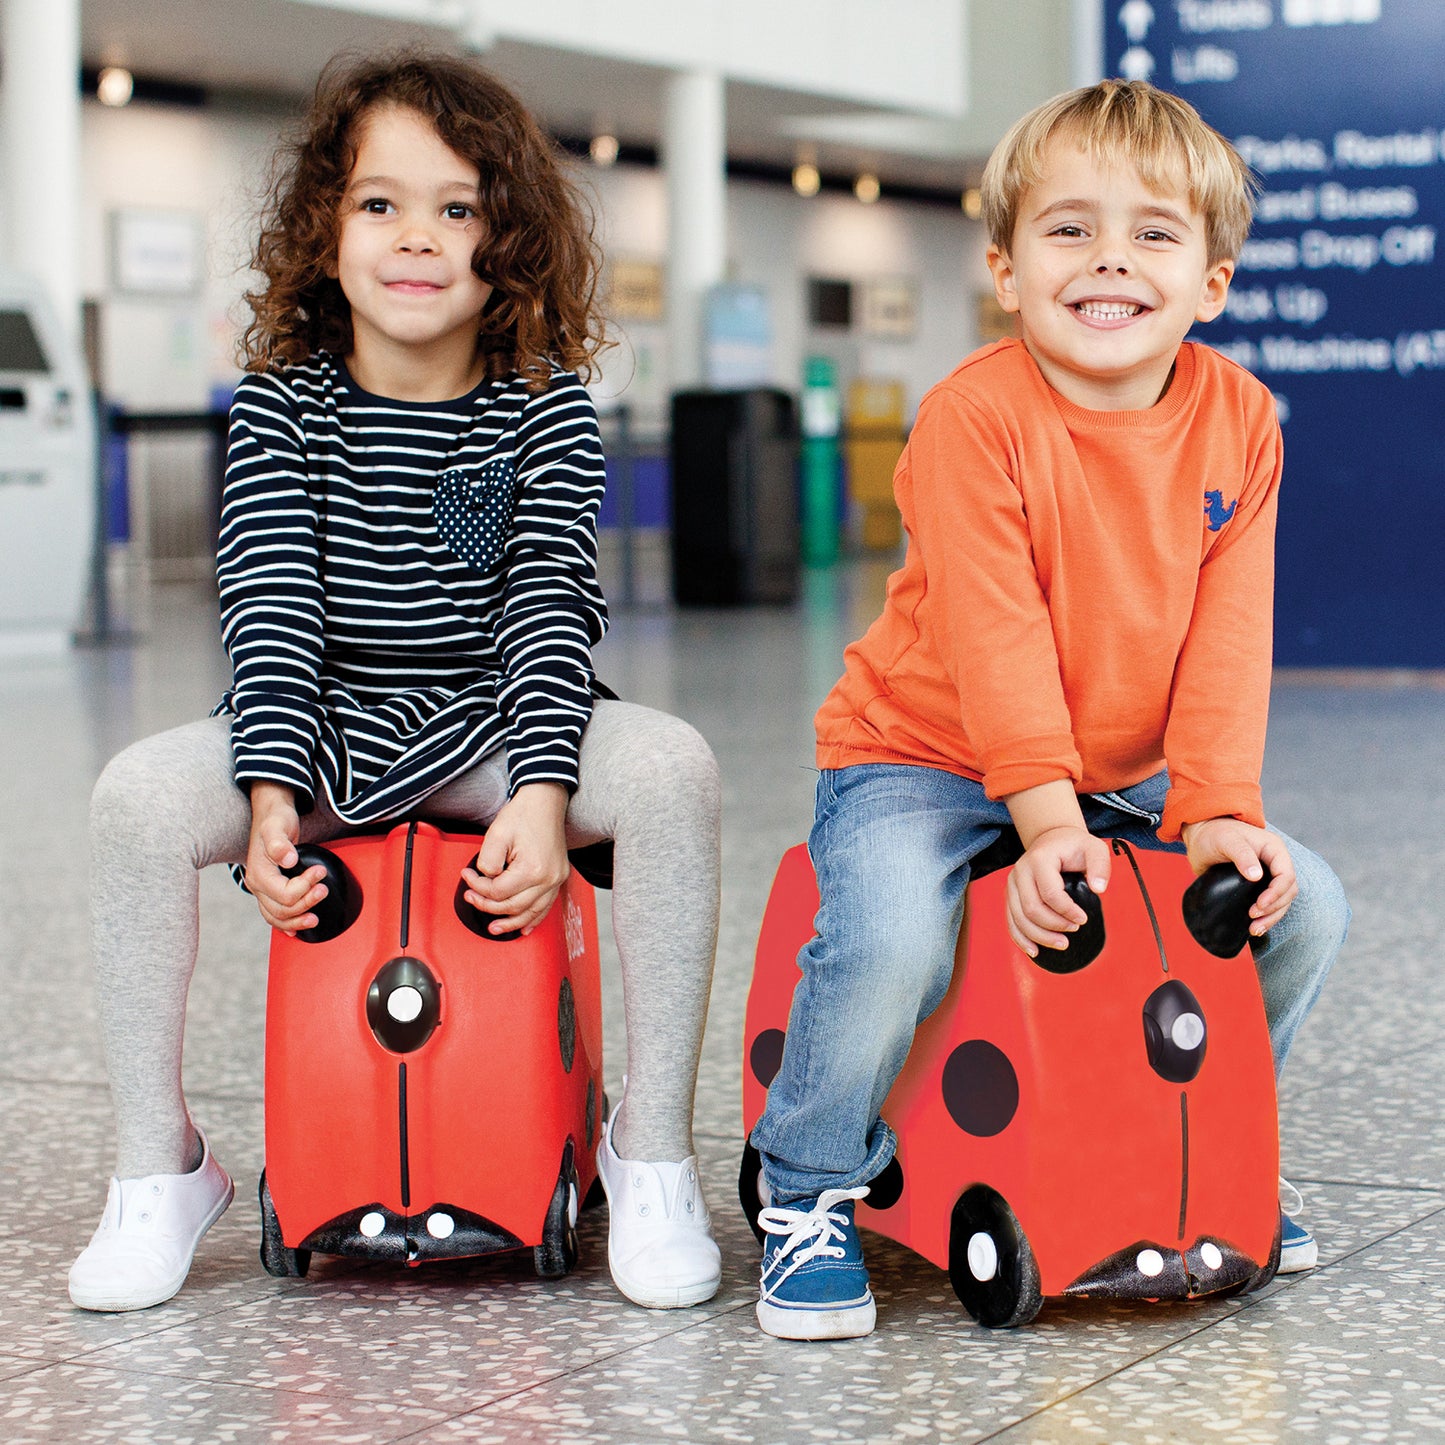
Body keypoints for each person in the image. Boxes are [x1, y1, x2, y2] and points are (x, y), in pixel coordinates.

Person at [69, 50, 721, 1315]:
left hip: (492, 721)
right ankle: (160, 1168)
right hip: (319, 727)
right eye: (380, 203)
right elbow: (272, 611)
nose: (417, 236)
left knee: (671, 767)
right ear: (326, 231)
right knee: (135, 801)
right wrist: (266, 790)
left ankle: (648, 1154)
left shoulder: (544, 408)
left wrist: (541, 790)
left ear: (508, 240)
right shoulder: (279, 408)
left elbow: (547, 610)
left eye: (457, 207)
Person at [748, 80, 1350, 1341]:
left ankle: (1204, 1152)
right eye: (1068, 230)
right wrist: (1037, 818)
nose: (1109, 262)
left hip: (1117, 772)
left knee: (1302, 908)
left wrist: (1217, 813)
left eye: (1152, 234)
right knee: (891, 940)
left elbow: (1228, 638)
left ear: (1211, 282)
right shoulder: (974, 417)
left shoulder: (1239, 420)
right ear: (1005, 270)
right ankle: (805, 1178)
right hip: (922, 753)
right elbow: (993, 633)